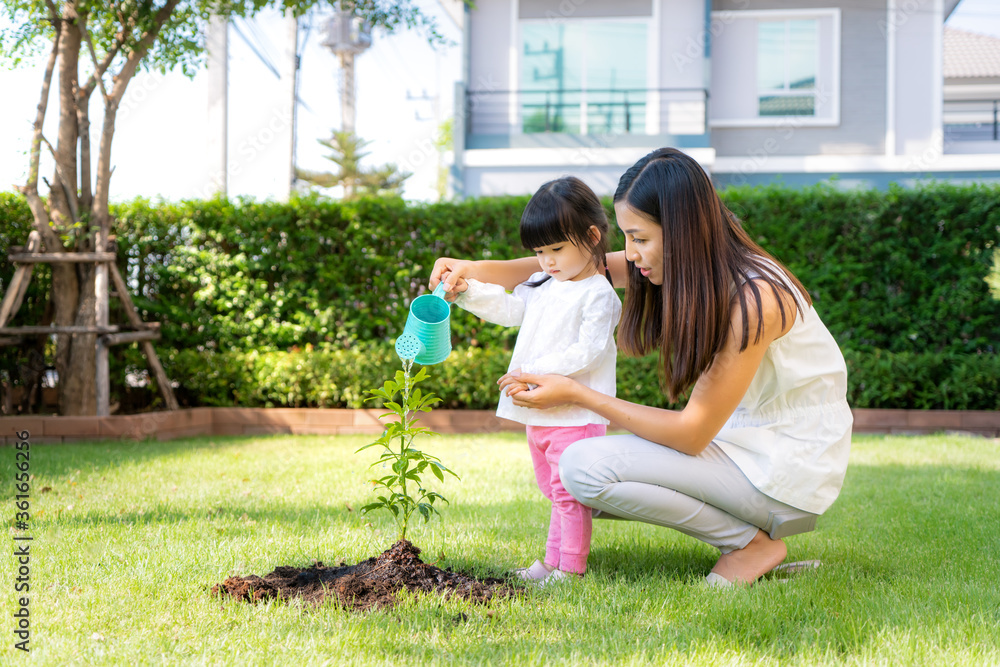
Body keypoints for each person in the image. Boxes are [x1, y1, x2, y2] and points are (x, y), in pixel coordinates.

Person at [431, 148, 852, 587]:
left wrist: (578, 394)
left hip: (785, 467)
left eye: (639, 238)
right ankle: (748, 539)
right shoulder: (693, 266)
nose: (628, 254)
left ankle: (750, 544)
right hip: (744, 448)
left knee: (580, 467)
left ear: (684, 231)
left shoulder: (755, 299)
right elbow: (567, 267)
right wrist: (470, 271)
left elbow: (692, 434)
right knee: (569, 472)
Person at [448, 176, 622, 584]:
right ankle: (550, 563)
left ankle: (571, 567)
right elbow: (510, 309)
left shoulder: (598, 294)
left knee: (568, 494)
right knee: (552, 492)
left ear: (592, 236)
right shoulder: (544, 285)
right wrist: (467, 291)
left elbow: (588, 351)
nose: (547, 261)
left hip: (576, 415)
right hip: (540, 414)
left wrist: (533, 372)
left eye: (556, 249)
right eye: (540, 252)